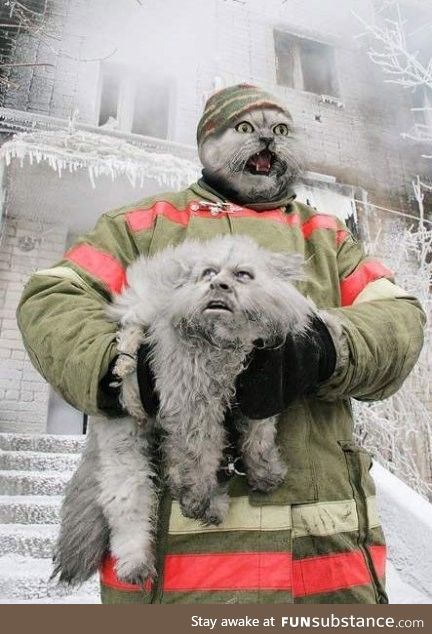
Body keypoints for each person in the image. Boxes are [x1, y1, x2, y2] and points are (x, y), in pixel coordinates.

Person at [17, 84, 425, 604]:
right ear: (208, 142)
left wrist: (323, 348)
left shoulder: (328, 238)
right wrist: (127, 370)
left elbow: (399, 318)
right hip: (174, 587)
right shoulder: (143, 224)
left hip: (322, 573)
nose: (267, 141)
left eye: (281, 130)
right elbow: (51, 298)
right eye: (246, 129)